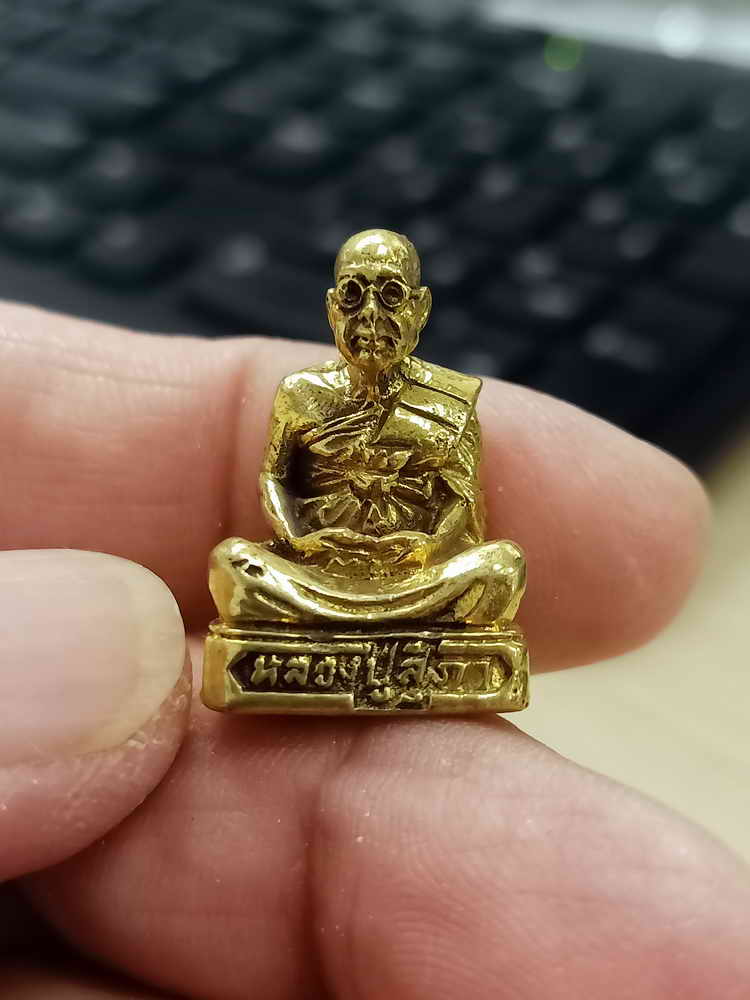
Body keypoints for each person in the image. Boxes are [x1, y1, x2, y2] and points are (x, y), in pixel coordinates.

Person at [1, 300, 749, 998]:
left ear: (418, 309)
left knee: (500, 566)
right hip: (319, 565)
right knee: (237, 562)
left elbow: (464, 503)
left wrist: (420, 547)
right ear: (333, 309)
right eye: (355, 296)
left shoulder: (449, 400)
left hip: (411, 573)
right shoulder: (303, 394)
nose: (371, 316)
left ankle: (377, 634)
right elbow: (276, 482)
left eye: (390, 296)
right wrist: (305, 538)